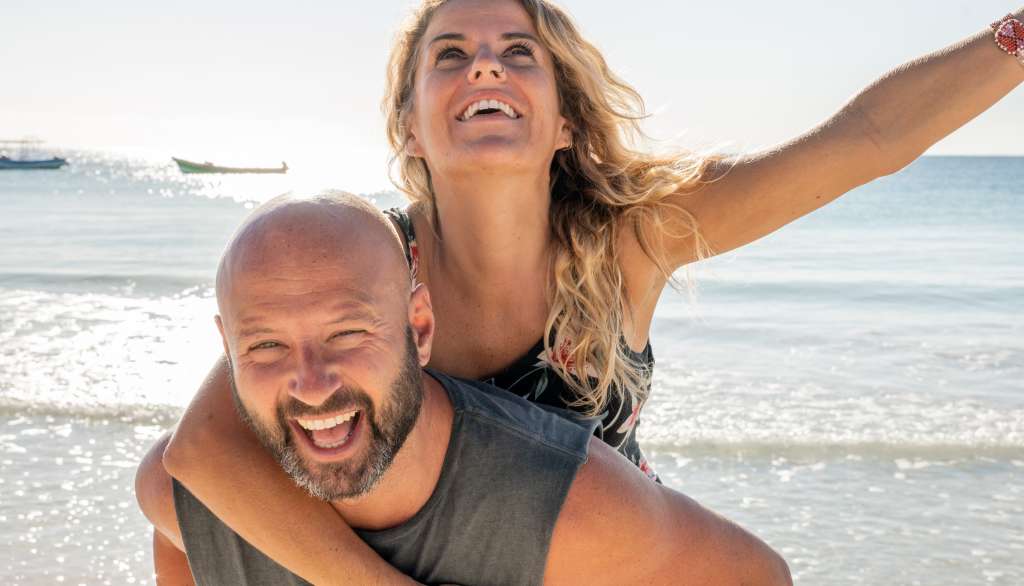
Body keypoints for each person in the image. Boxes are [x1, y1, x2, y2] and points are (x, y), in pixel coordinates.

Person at [142, 0, 1024, 583]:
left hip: (595, 556)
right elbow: (200, 452)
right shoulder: (371, 262)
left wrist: (1015, 35)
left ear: (563, 116)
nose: (483, 66)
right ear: (410, 126)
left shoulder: (632, 240)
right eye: (450, 53)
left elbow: (865, 139)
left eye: (515, 51)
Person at [135, 193, 791, 585]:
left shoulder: (557, 503)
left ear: (419, 328)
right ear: (228, 351)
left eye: (346, 334)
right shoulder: (185, 498)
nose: (311, 384)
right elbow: (174, 535)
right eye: (267, 345)